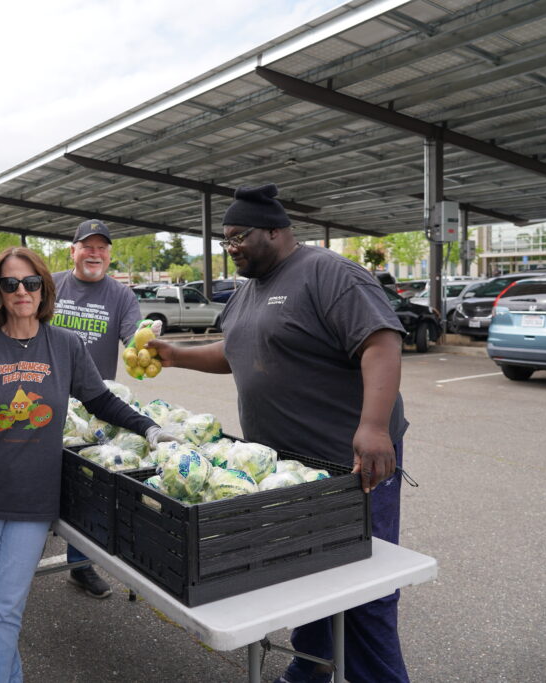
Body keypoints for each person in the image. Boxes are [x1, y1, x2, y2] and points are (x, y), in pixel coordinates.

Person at [147, 184, 409, 683]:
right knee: (305, 576)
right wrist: (176, 353)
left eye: (237, 237)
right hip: (287, 472)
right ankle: (309, 670)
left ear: (275, 229)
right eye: (225, 242)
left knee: (363, 592)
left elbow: (381, 341)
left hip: (351, 470)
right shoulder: (249, 289)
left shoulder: (328, 272)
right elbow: (235, 350)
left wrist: (374, 427)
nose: (232, 249)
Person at [0, 246, 174, 683]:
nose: (21, 291)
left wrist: (149, 428)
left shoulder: (63, 345)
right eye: (10, 284)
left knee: (5, 606)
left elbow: (99, 399)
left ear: (43, 287)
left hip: (33, 497)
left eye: (30, 282)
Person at [49, 218, 141, 599]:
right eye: (87, 246)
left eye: (102, 247)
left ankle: (80, 565)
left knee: (87, 488)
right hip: (42, 397)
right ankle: (2, 565)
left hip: (92, 408)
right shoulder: (50, 283)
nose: (95, 253)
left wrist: (149, 342)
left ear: (109, 255)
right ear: (73, 251)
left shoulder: (120, 296)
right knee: (28, 480)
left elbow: (135, 336)